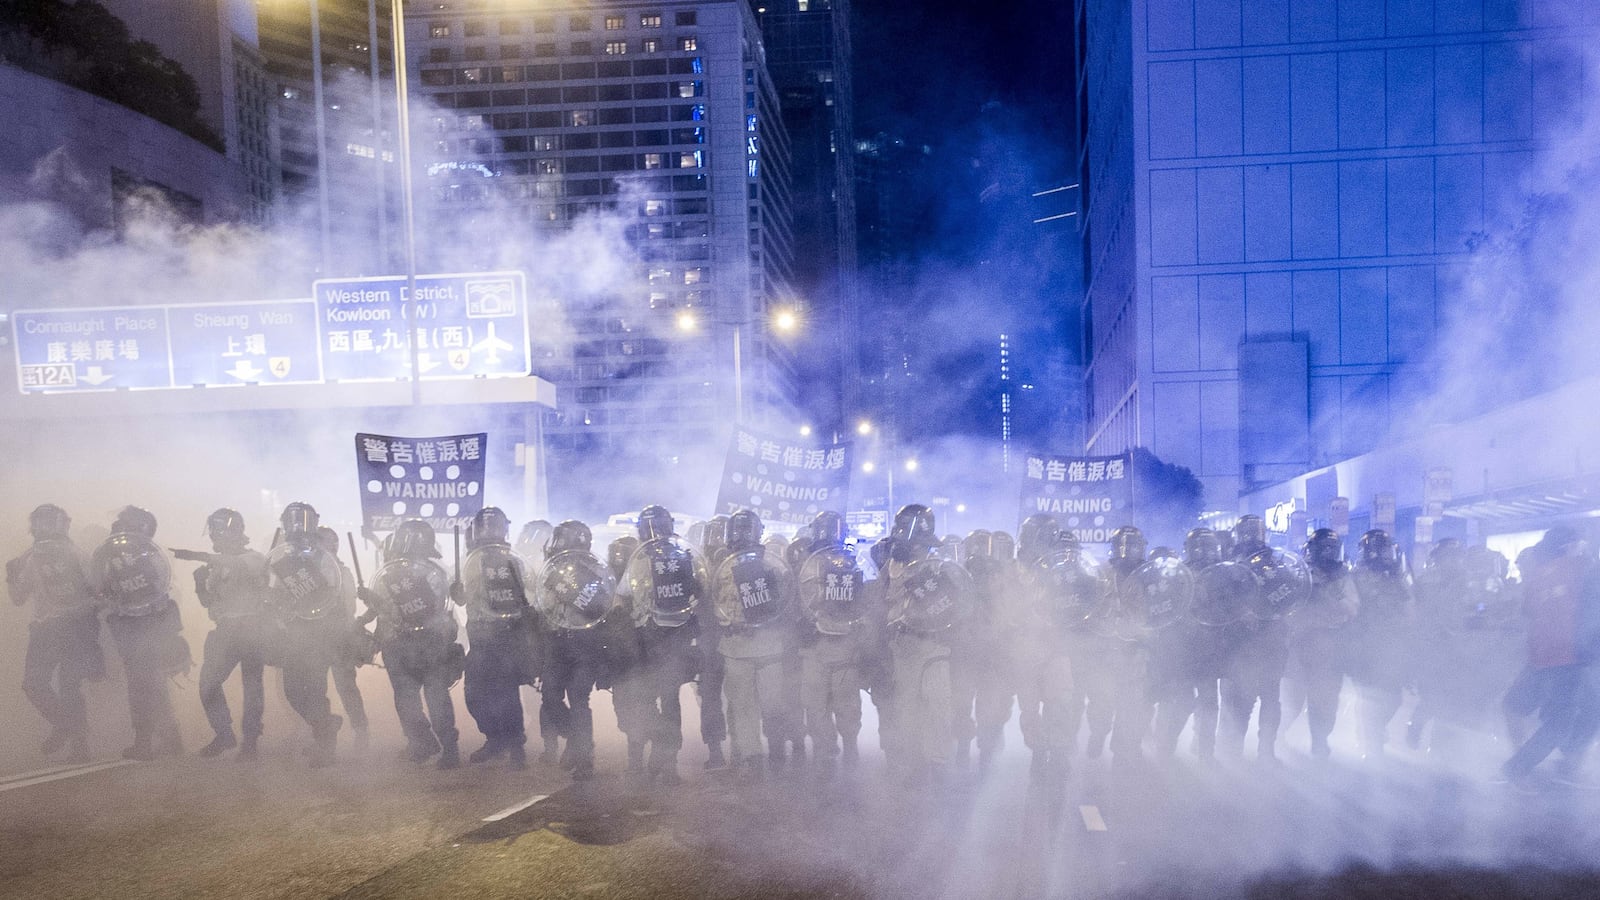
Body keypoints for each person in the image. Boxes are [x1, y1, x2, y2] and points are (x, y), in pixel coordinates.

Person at [880, 503, 972, 785]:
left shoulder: (940, 565)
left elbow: (957, 602)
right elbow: (882, 603)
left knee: (939, 704)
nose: (917, 549)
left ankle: (939, 762)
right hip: (904, 645)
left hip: (935, 644)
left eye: (921, 544)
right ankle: (912, 762)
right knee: (907, 708)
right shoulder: (888, 564)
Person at [359, 519, 463, 769]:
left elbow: (441, 607)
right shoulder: (390, 575)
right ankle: (424, 742)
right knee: (408, 701)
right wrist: (371, 605)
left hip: (430, 643)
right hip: (401, 644)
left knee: (431, 698)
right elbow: (385, 612)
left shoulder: (437, 574)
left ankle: (447, 747)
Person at [615, 505, 706, 785]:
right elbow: (700, 594)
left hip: (649, 640)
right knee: (666, 702)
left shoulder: (641, 559)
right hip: (669, 641)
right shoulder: (684, 556)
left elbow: (622, 598)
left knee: (643, 700)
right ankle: (664, 762)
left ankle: (645, 761)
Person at [1501, 526, 1600, 783]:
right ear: (1570, 546)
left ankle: (1564, 759)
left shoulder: (1540, 574)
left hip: (1540, 655)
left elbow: (1528, 613)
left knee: (1514, 706)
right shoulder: (1585, 569)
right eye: (1579, 543)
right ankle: (1517, 768)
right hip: (1572, 657)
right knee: (1562, 720)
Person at [6, 504, 103, 763]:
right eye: (39, 522)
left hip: (75, 625)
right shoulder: (32, 558)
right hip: (44, 628)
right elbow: (17, 598)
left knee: (69, 684)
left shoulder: (76, 554)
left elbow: (98, 590)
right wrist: (11, 576)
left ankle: (80, 744)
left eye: (49, 522)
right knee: (33, 684)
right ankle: (66, 725)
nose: (43, 528)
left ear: (62, 525)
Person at [91, 506, 187, 761]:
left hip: (153, 623)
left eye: (125, 522)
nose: (118, 526)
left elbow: (169, 589)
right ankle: (166, 737)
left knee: (146, 682)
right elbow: (101, 590)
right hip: (127, 625)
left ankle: (148, 740)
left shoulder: (153, 555)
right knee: (146, 683)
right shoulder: (108, 557)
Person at [711, 509, 797, 779]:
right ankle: (752, 756)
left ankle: (776, 747)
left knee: (773, 702)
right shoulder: (721, 568)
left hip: (769, 645)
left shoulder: (772, 565)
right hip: (735, 646)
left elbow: (784, 604)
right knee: (743, 705)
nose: (740, 535)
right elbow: (715, 603)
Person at [535, 519, 615, 780]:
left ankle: (584, 761)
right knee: (550, 697)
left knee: (579, 699)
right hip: (556, 641)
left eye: (560, 539)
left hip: (585, 643)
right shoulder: (552, 570)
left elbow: (603, 608)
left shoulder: (597, 572)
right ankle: (577, 739)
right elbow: (542, 606)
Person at [266, 502, 345, 767]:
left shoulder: (323, 557)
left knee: (314, 689)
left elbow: (331, 594)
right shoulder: (281, 557)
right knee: (292, 692)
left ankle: (326, 747)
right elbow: (276, 591)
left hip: (319, 632)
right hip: (292, 633)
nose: (297, 526)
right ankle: (325, 726)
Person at [190, 509, 271, 759]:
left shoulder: (254, 558)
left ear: (234, 531)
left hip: (252, 628)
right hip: (225, 630)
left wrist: (211, 561)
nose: (213, 536)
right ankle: (224, 733)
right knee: (207, 684)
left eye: (218, 530)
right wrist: (199, 584)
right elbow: (210, 603)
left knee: (252, 686)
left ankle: (250, 740)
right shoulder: (215, 565)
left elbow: (248, 572)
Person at [459, 507, 536, 770]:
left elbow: (528, 595)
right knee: (474, 694)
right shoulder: (467, 560)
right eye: (485, 527)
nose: (490, 532)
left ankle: (515, 746)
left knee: (506, 692)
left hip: (507, 633)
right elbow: (457, 597)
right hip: (480, 635)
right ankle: (495, 738)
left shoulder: (514, 561)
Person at [1219, 515, 1297, 763]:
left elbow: (1291, 593)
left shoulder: (1275, 562)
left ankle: (1266, 751)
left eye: (1257, 532)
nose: (1253, 537)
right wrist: (1241, 614)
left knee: (1271, 701)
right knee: (1241, 702)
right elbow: (1219, 600)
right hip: (1241, 644)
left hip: (1271, 641)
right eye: (1248, 532)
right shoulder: (1230, 564)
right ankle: (1233, 752)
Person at [796, 511, 867, 769]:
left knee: (831, 703)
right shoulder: (850, 562)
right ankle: (833, 751)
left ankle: (841, 749)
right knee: (826, 703)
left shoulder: (847, 563)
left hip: (835, 645)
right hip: (822, 645)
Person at [1283, 528, 1360, 759]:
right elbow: (1286, 608)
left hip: (1329, 645)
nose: (1327, 554)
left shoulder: (1343, 576)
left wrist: (1329, 595)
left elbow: (1353, 608)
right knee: (1292, 700)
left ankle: (1319, 742)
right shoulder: (1298, 572)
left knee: (1325, 701)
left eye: (1331, 549)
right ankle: (1276, 738)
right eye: (1323, 549)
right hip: (1299, 644)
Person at [1349, 529, 1415, 758]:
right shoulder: (1357, 576)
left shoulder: (1397, 575)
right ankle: (1371, 745)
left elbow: (1409, 605)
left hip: (1391, 646)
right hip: (1365, 647)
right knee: (1368, 699)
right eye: (1383, 549)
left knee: (1394, 698)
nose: (1387, 554)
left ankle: (1373, 732)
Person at [317, 526, 371, 753]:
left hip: (339, 633)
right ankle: (319, 733)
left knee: (345, 686)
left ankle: (361, 731)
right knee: (314, 687)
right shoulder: (314, 569)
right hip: (318, 634)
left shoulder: (342, 572)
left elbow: (346, 606)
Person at [695, 515, 731, 770]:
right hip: (709, 640)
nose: (716, 541)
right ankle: (715, 748)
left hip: (734, 637)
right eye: (713, 535)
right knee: (709, 697)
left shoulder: (743, 565)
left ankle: (743, 747)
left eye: (721, 535)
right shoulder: (697, 567)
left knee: (740, 696)